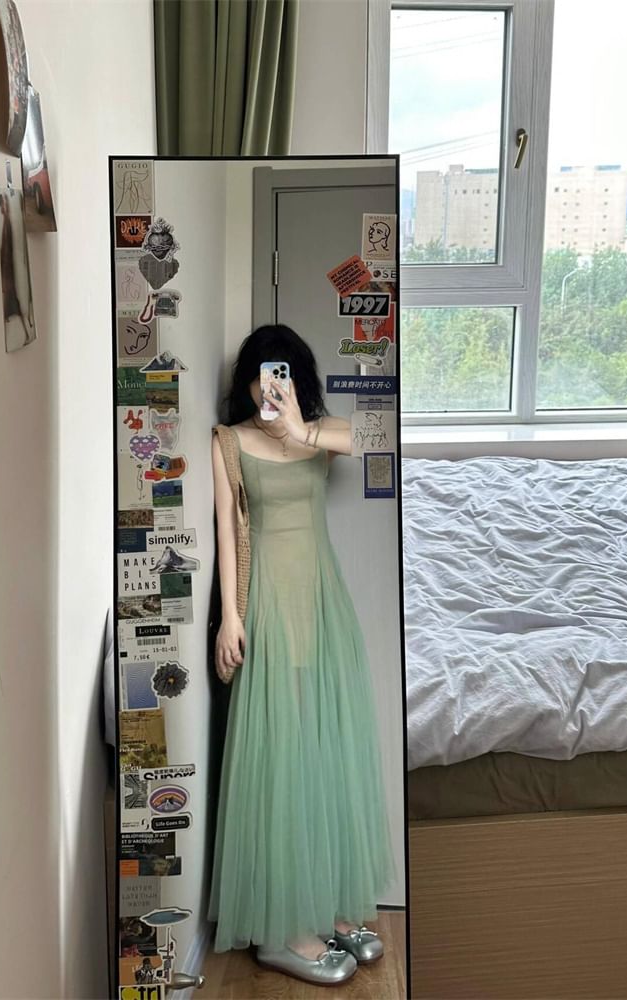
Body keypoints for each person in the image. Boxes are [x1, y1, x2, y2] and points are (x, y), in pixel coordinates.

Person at [208, 325, 393, 986]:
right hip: (269, 608)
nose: (272, 386)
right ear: (248, 381)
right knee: (281, 761)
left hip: (322, 604)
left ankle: (323, 904)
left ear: (298, 380)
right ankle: (280, 929)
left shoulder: (319, 434)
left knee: (322, 756)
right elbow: (228, 530)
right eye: (263, 374)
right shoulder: (228, 442)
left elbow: (379, 435)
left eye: (282, 374)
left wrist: (300, 430)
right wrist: (231, 618)